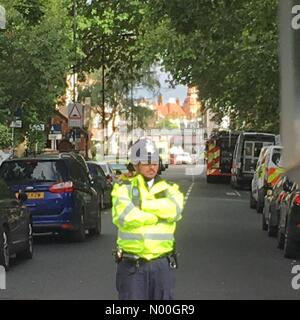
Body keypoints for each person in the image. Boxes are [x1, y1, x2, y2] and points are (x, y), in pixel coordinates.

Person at [111, 138, 184, 300]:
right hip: (133, 266)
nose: (152, 167)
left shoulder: (170, 188)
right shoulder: (123, 188)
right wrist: (158, 215)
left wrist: (142, 205)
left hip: (162, 264)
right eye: (146, 162)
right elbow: (126, 217)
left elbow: (175, 210)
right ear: (136, 164)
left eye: (155, 162)